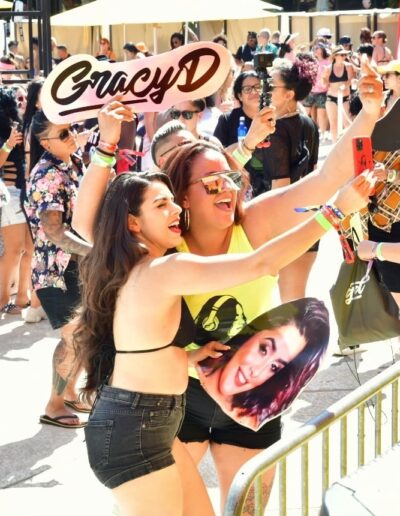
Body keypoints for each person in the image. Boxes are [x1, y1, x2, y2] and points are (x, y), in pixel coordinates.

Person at [73, 61, 382, 514]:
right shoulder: (163, 244)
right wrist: (104, 147)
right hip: (181, 401)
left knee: (244, 511)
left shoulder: (254, 221)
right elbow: (89, 225)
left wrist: (369, 113)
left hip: (253, 397)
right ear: (180, 198)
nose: (229, 190)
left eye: (233, 180)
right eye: (212, 183)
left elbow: (325, 179)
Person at [25, 111, 92, 428]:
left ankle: (68, 393)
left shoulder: (71, 162)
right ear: (44, 142)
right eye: (64, 133)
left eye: (72, 128)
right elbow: (53, 230)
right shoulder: (47, 175)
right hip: (56, 272)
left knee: (82, 335)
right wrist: (94, 251)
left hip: (71, 268)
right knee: (73, 338)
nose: (73, 135)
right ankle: (53, 405)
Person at [197, 298, 329, 430]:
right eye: (263, 349)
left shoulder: (253, 417)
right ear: (251, 334)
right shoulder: (196, 361)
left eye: (274, 367)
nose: (256, 372)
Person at [322, 45, 356, 142]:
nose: (344, 57)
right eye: (341, 55)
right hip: (331, 98)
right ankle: (335, 144)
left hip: (344, 98)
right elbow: (323, 82)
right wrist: (325, 79)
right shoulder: (329, 68)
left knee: (347, 122)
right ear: (335, 56)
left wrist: (344, 86)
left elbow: (350, 79)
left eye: (345, 55)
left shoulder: (348, 66)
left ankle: (348, 143)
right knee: (333, 123)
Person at [303, 42, 330, 140]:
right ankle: (303, 132)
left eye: (318, 48)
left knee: (322, 114)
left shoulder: (327, 62)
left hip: (323, 91)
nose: (316, 50)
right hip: (310, 90)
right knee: (305, 113)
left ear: (323, 50)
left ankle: (322, 133)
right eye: (314, 48)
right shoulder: (311, 61)